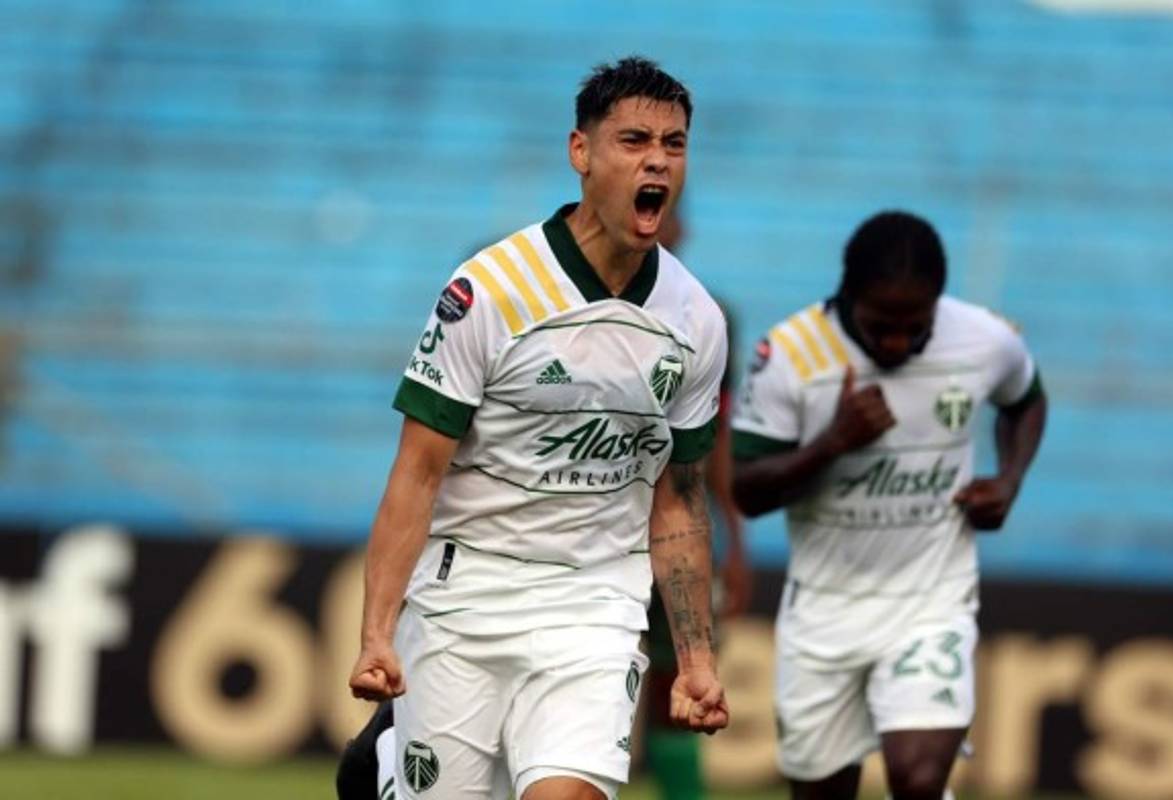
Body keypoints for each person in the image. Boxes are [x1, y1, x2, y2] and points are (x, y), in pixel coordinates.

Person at [346, 56, 730, 800]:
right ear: (581, 152)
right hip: (466, 596)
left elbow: (681, 499)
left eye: (674, 144)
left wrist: (696, 658)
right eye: (634, 140)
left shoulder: (696, 321)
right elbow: (418, 473)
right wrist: (376, 635)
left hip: (595, 604)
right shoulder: (488, 290)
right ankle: (389, 762)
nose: (657, 159)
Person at [731, 211, 1047, 800]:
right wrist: (832, 443)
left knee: (917, 778)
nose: (898, 342)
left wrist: (1009, 480)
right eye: (881, 327)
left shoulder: (983, 338)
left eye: (915, 327)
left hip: (931, 601)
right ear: (847, 297)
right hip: (824, 609)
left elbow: (1026, 400)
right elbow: (746, 492)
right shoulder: (792, 355)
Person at [641, 211, 751, 800]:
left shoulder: (708, 320)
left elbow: (718, 439)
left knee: (677, 683)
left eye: (669, 214)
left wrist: (734, 539)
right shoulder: (580, 313)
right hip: (595, 527)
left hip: (674, 525)